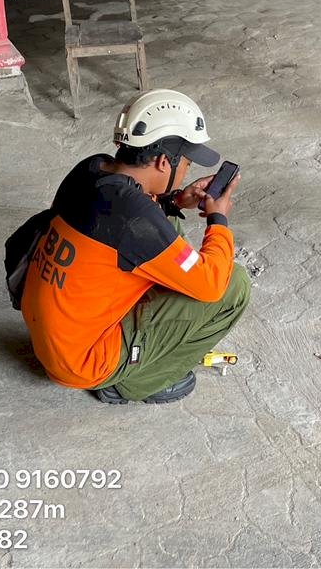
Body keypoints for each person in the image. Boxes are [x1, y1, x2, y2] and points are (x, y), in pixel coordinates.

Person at [20, 89, 250, 405]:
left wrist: (175, 199)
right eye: (184, 163)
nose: (186, 170)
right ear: (161, 161)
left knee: (167, 225)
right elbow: (211, 285)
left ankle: (128, 353)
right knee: (232, 286)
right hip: (83, 362)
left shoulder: (92, 169)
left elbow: (125, 218)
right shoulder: (134, 217)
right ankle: (138, 381)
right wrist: (218, 220)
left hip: (57, 337)